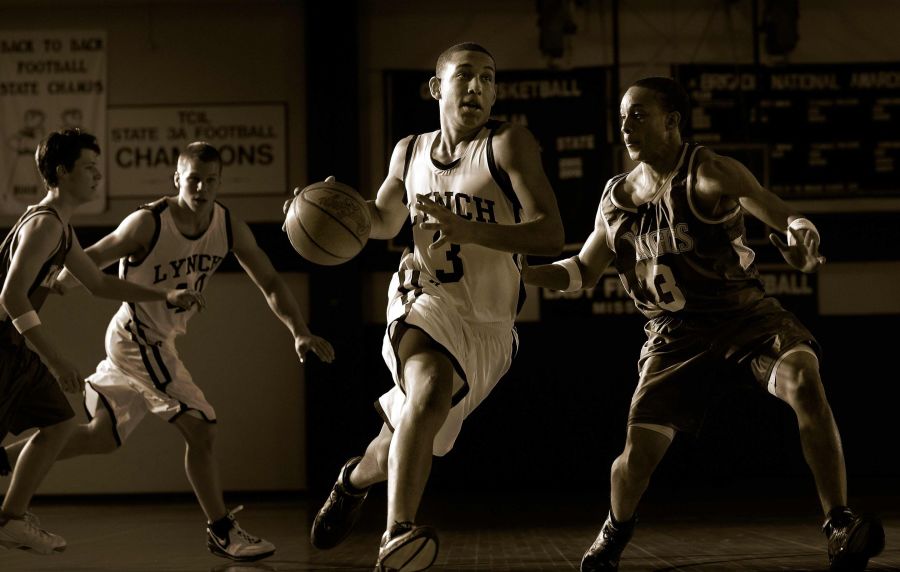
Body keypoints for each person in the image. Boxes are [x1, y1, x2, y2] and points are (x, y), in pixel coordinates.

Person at [522, 76, 885, 572]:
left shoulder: (709, 172)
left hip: (742, 315)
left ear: (672, 122)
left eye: (639, 115)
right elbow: (583, 271)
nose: (625, 126)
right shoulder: (616, 198)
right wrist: (525, 273)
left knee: (804, 379)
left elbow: (782, 216)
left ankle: (838, 522)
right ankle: (615, 529)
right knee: (634, 462)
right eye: (623, 116)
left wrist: (803, 238)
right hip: (673, 337)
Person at [1, 141, 335, 562]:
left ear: (219, 183)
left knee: (98, 437)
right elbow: (98, 257)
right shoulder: (146, 222)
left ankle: (3, 464)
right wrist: (62, 278)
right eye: (193, 179)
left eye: (210, 180)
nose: (201, 188)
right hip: (138, 338)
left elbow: (269, 280)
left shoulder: (227, 225)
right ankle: (222, 530)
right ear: (177, 178)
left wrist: (298, 330)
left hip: (153, 337)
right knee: (202, 428)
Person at [300, 42, 564, 571]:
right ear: (435, 87)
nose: (478, 87)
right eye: (465, 75)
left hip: (490, 327)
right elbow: (382, 220)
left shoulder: (508, 144)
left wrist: (472, 231)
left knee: (394, 448)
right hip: (422, 299)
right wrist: (337, 208)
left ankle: (352, 480)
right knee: (430, 385)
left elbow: (551, 234)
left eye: (488, 79)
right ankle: (396, 534)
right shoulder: (409, 151)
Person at [0, 129, 202, 554]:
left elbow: (97, 283)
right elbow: (11, 296)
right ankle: (11, 519)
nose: (97, 176)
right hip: (4, 345)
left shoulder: (60, 228)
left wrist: (163, 294)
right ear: (62, 171)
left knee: (56, 422)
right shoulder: (43, 226)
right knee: (55, 421)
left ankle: (11, 518)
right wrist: (56, 360)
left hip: (9, 346)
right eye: (89, 168)